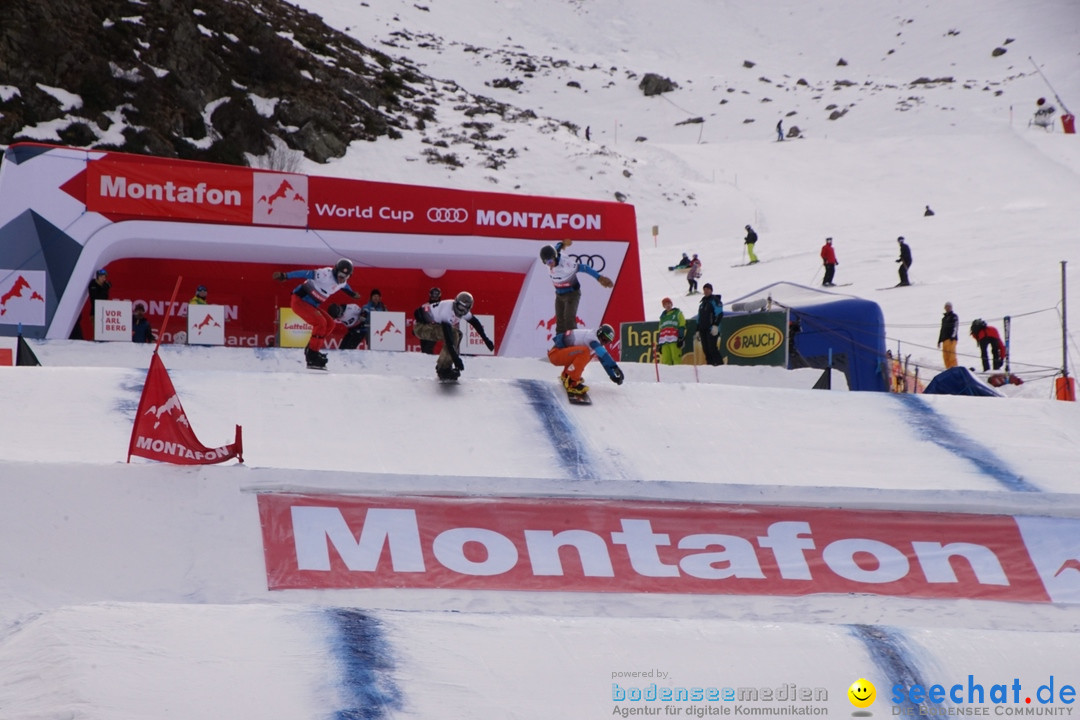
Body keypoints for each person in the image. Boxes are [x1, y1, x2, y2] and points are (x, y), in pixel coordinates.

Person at [272, 258, 360, 369]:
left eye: (346, 277)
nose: (342, 279)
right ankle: (312, 356)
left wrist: (351, 294)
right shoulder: (325, 274)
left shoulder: (343, 282)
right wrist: (285, 275)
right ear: (335, 271)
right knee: (320, 323)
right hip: (300, 301)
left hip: (311, 305)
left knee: (330, 324)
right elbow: (305, 273)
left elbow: (345, 287)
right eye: (341, 275)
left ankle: (312, 350)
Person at [413, 291, 494, 380]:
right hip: (421, 328)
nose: (460, 311)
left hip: (430, 325)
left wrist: (486, 340)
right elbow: (449, 339)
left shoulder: (463, 311)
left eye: (463, 309)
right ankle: (443, 369)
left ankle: (444, 365)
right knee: (453, 334)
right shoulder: (447, 311)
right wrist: (456, 360)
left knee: (458, 334)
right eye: (459, 307)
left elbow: (475, 323)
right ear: (455, 303)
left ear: (468, 309)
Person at [540, 240, 614, 334]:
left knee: (569, 320)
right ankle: (559, 345)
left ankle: (574, 342)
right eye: (546, 262)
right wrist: (562, 243)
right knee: (560, 323)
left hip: (572, 294)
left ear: (555, 257)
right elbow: (556, 248)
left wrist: (599, 277)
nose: (549, 264)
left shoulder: (565, 265)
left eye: (550, 261)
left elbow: (584, 267)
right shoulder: (551, 257)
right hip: (559, 295)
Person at [547, 324, 624, 397]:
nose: (603, 342)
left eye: (607, 341)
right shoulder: (591, 337)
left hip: (561, 353)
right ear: (599, 333)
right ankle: (572, 382)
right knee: (585, 351)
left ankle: (567, 375)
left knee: (590, 353)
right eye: (604, 338)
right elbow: (604, 354)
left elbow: (604, 361)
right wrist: (615, 367)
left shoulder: (597, 343)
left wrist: (613, 376)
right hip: (555, 354)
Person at [697, 283, 724, 366]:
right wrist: (697, 329)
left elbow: (719, 313)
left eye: (708, 289)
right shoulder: (702, 303)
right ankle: (710, 365)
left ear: (711, 290)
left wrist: (715, 325)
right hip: (703, 329)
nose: (706, 291)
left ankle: (719, 364)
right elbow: (699, 317)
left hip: (711, 328)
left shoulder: (715, 300)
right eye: (704, 289)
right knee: (706, 349)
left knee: (712, 347)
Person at [413, 287, 442, 354]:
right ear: (430, 295)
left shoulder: (442, 306)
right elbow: (418, 316)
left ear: (439, 295)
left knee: (428, 349)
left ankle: (431, 362)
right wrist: (416, 328)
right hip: (424, 330)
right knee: (424, 350)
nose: (434, 297)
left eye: (436, 295)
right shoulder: (425, 306)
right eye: (433, 295)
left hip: (434, 331)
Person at [657, 297, 685, 365]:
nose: (668, 305)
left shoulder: (677, 313)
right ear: (664, 306)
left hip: (674, 339)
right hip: (664, 341)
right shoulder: (662, 317)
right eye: (665, 304)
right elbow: (660, 330)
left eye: (669, 303)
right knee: (666, 360)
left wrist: (680, 337)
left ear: (671, 304)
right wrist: (659, 343)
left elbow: (682, 324)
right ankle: (668, 375)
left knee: (676, 357)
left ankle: (679, 373)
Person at [937, 302, 959, 369]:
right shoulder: (944, 319)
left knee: (952, 355)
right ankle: (948, 369)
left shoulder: (954, 316)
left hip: (951, 339)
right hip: (944, 340)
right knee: (945, 356)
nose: (947, 308)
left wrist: (952, 337)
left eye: (949, 306)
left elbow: (956, 326)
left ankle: (954, 369)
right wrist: (939, 341)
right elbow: (942, 329)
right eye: (946, 307)